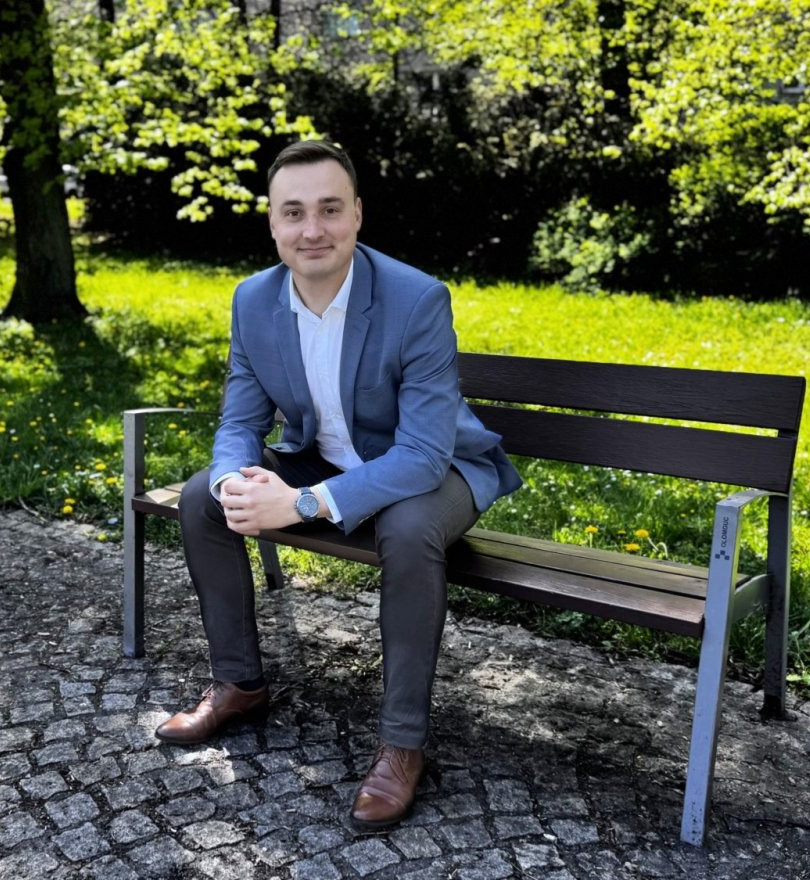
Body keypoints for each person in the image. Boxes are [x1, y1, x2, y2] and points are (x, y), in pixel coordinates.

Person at [154, 140, 522, 829]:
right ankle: (238, 684)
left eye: (329, 209)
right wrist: (236, 482)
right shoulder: (253, 299)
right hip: (324, 458)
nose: (312, 229)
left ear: (357, 214)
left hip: (438, 470)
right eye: (293, 213)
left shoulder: (415, 299)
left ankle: (402, 744)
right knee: (204, 495)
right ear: (273, 223)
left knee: (407, 529)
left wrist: (299, 503)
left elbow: (422, 454)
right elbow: (240, 420)